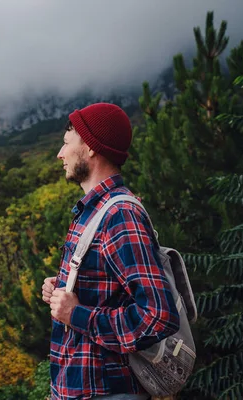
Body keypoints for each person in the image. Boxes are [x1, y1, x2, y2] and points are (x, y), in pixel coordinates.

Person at [41, 103, 180, 400]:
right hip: (78, 387)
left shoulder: (120, 214)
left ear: (90, 148)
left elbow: (158, 316)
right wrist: (62, 289)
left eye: (66, 143)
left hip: (106, 391)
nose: (60, 154)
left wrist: (76, 314)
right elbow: (108, 287)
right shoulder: (94, 211)